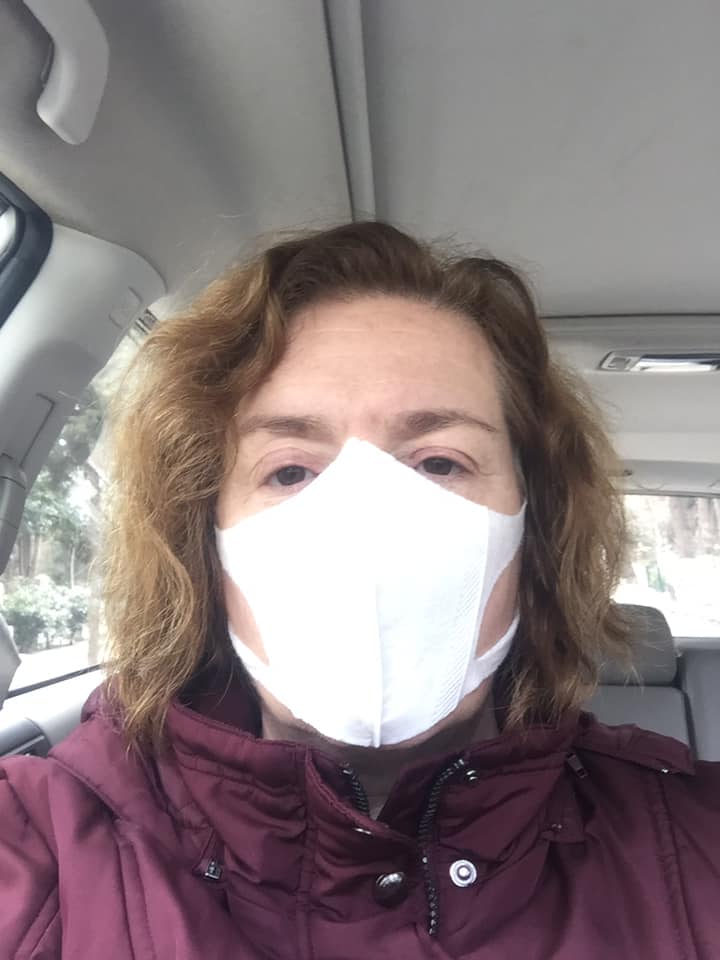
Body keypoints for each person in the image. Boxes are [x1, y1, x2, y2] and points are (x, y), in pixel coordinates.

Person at [1, 222, 718, 960]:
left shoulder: (698, 844)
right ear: (205, 548)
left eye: (439, 463)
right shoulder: (45, 851)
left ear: (534, 536)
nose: (367, 522)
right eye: (290, 470)